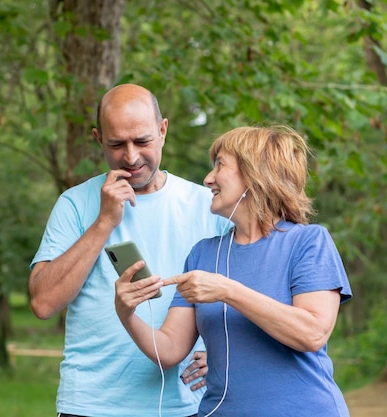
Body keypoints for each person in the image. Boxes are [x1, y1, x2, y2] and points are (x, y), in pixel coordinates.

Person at [115, 125, 353, 417]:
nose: (208, 179)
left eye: (219, 165)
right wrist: (126, 313)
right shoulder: (202, 254)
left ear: (255, 173)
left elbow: (312, 333)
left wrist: (227, 291)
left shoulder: (308, 242)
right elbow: (169, 351)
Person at [29, 83, 228, 417]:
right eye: (117, 144)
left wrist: (227, 354)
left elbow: (248, 293)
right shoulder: (75, 204)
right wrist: (104, 221)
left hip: (186, 405)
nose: (132, 157)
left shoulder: (208, 206)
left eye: (143, 141)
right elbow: (43, 302)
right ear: (98, 139)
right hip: (91, 405)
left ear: (163, 130)